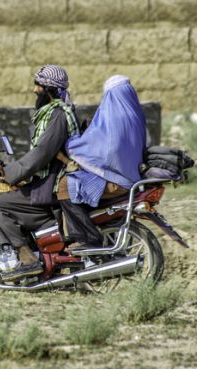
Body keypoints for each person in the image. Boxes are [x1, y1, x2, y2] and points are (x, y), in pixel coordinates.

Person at [0, 65, 79, 281]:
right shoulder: (53, 113)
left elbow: (41, 154)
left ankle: (26, 258)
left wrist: (7, 172)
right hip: (48, 179)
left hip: (51, 185)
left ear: (48, 89)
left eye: (38, 85)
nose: (34, 90)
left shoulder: (58, 115)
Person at [59, 75, 147, 251]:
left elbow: (99, 150)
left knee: (65, 186)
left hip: (117, 181)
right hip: (130, 176)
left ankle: (87, 238)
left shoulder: (113, 119)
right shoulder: (135, 115)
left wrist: (71, 143)